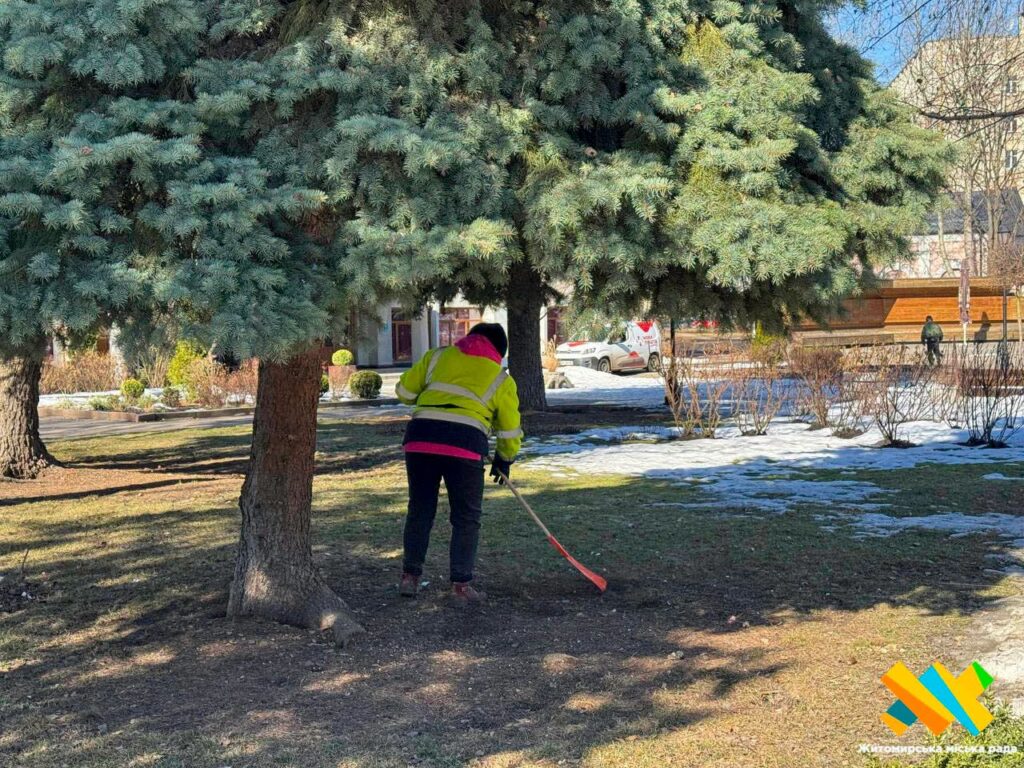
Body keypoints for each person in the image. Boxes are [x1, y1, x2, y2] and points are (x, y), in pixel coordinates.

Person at [395, 322, 522, 604]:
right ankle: (461, 587)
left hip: (421, 439)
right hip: (464, 446)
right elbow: (510, 429)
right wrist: (504, 459)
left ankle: (409, 578)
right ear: (498, 351)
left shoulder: (437, 356)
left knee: (420, 510)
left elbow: (403, 392)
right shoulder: (501, 378)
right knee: (466, 517)